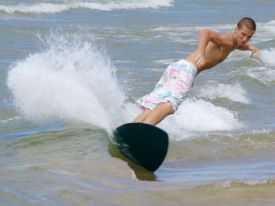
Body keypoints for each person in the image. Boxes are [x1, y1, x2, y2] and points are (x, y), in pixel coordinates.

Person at [134, 17, 260, 126]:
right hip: (187, 71)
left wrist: (252, 48)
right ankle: (143, 131)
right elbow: (206, 32)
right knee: (170, 105)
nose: (245, 39)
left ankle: (130, 130)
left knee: (156, 106)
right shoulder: (226, 40)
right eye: (243, 34)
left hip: (177, 68)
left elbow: (240, 45)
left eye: (249, 37)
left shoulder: (234, 43)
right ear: (236, 30)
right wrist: (201, 51)